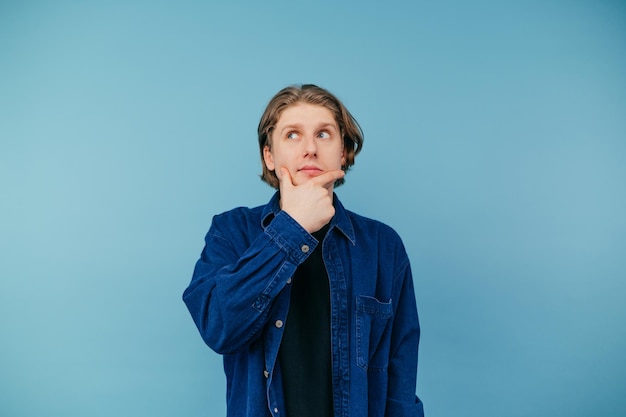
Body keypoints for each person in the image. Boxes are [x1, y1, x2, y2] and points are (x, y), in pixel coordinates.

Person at [183, 84, 424, 417]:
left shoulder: (383, 246)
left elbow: (400, 383)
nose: (310, 148)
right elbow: (219, 327)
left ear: (343, 152)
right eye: (292, 135)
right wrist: (292, 226)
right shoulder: (231, 232)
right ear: (270, 156)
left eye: (323, 134)